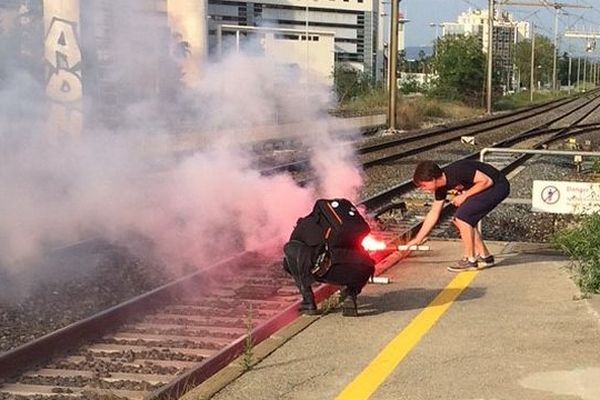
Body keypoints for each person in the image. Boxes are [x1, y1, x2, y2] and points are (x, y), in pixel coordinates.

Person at [406, 160, 510, 272]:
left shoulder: (457, 171)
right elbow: (434, 213)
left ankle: (470, 260)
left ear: (433, 179)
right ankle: (486, 257)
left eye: (423, 185)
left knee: (462, 218)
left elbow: (486, 181)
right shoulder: (440, 188)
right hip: (486, 187)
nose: (423, 189)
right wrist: (418, 238)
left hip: (497, 186)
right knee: (462, 219)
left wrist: (465, 195)